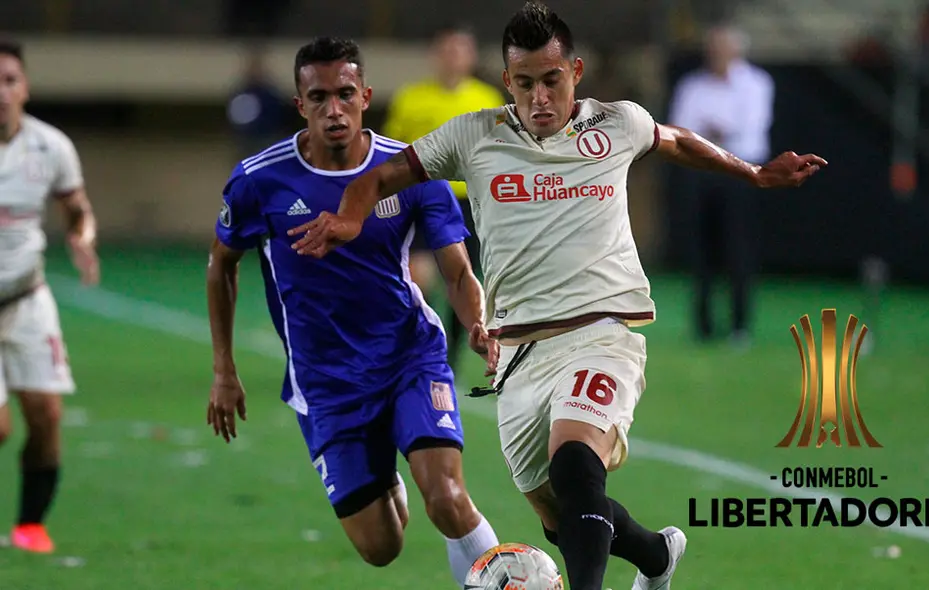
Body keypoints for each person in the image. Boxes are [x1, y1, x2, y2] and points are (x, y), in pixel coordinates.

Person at [287, 4, 827, 589]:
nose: (539, 97)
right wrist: (350, 217)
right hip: (519, 354)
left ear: (576, 71)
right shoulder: (474, 134)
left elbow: (676, 140)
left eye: (552, 80)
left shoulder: (616, 124)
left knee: (576, 465)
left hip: (601, 335)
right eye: (525, 84)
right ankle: (655, 557)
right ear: (507, 81)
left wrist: (753, 173)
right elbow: (380, 175)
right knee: (561, 516)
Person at [205, 37, 500, 586]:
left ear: (365, 96)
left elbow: (458, 272)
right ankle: (388, 471)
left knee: (447, 497)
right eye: (319, 98)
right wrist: (224, 369)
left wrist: (477, 321)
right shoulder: (259, 181)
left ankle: (507, 578)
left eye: (345, 94)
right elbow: (221, 265)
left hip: (409, 358)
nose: (334, 110)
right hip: (326, 383)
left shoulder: (411, 172)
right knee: (381, 547)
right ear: (301, 105)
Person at [0, 38, 100, 554]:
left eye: (9, 80)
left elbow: (77, 207)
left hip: (26, 299)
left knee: (46, 417)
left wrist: (82, 237)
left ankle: (29, 526)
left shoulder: (51, 146)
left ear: (25, 88)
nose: (1, 92)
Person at [382, 23, 505, 374]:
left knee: (464, 281)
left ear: (470, 56)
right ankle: (418, 341)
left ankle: (449, 355)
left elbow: (499, 154)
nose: (452, 57)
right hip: (422, 201)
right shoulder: (410, 98)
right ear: (435, 55)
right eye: (446, 50)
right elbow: (392, 150)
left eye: (459, 50)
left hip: (469, 204)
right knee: (418, 277)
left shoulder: (487, 100)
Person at [668, 24, 774, 348]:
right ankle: (703, 327)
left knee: (738, 248)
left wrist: (709, 133)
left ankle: (740, 326)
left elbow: (749, 128)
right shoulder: (692, 86)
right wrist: (709, 136)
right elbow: (679, 129)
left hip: (741, 173)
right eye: (712, 48)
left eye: (722, 48)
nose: (716, 54)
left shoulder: (756, 83)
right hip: (701, 174)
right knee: (701, 250)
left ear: (737, 50)